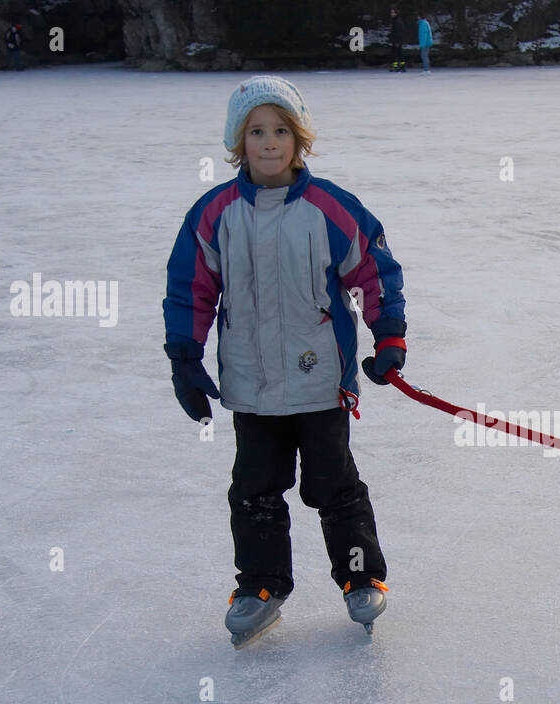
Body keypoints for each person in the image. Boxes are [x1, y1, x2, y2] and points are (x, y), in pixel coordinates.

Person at [162, 75, 409, 648]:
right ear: (238, 142)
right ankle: (260, 586)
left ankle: (359, 575)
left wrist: (389, 337)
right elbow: (189, 288)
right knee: (254, 488)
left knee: (334, 486)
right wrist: (183, 356)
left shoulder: (330, 208)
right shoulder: (214, 213)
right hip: (250, 387)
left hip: (319, 381)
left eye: (280, 131)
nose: (269, 143)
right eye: (256, 132)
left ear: (299, 140)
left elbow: (376, 273)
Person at [389, 8, 406, 72]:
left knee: (397, 54)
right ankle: (398, 66)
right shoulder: (394, 20)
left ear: (396, 13)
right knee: (396, 54)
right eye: (391, 12)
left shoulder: (397, 21)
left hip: (397, 41)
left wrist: (397, 41)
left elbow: (399, 32)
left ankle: (400, 67)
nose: (391, 14)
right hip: (395, 40)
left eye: (393, 12)